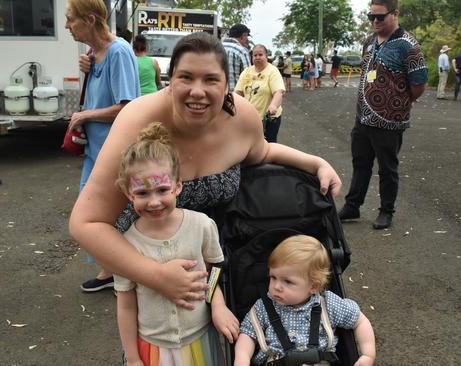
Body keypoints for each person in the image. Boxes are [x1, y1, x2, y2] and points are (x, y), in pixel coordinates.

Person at [69, 32, 341, 311]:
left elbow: (263, 151)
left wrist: (316, 163)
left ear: (226, 85)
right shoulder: (138, 120)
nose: (197, 91)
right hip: (150, 279)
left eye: (210, 79)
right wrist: (156, 276)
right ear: (169, 81)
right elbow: (86, 223)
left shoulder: (241, 117)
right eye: (186, 77)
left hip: (219, 269)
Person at [114, 123, 236, 365]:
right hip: (153, 349)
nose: (154, 202)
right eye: (142, 193)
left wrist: (218, 306)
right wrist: (133, 357)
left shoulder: (202, 226)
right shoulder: (124, 243)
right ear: (128, 192)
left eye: (162, 190)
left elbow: (214, 271)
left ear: (178, 185)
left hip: (200, 341)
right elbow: (126, 304)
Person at [65, 0, 140, 293]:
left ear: (91, 19)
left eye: (71, 19)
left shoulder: (119, 51)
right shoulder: (95, 53)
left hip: (113, 151)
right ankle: (112, 269)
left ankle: (120, 271)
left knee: (106, 211)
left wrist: (85, 115)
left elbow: (127, 106)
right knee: (96, 211)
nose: (67, 26)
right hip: (95, 150)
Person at [337, 0, 428, 230]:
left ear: (395, 14)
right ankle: (353, 205)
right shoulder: (369, 41)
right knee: (360, 163)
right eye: (371, 17)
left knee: (387, 168)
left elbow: (418, 84)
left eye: (379, 17)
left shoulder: (408, 46)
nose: (374, 22)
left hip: (390, 121)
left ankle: (386, 211)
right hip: (363, 118)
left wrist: (399, 103)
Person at [234, 235, 376, 366]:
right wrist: (242, 360)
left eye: (287, 282)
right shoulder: (263, 307)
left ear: (313, 286)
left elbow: (359, 321)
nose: (276, 287)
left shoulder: (328, 304)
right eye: (273, 277)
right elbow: (247, 335)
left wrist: (368, 354)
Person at [235, 44, 286, 143]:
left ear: (266, 56)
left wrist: (273, 106)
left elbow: (278, 92)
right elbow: (238, 93)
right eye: (255, 55)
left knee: (268, 146)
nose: (257, 57)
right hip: (250, 117)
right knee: (249, 144)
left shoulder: (272, 71)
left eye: (260, 55)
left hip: (268, 118)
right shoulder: (246, 72)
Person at [223, 23, 252, 91]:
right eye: (246, 36)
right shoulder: (241, 51)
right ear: (243, 36)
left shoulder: (216, 48)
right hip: (235, 97)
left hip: (217, 95)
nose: (246, 39)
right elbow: (248, 77)